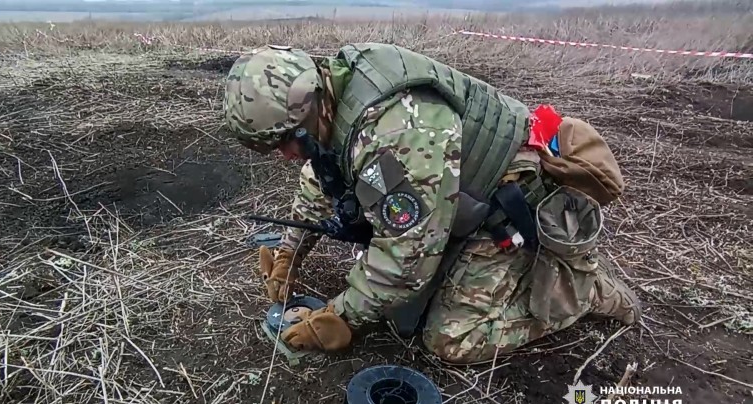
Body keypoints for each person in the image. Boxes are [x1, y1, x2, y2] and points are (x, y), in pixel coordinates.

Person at [223, 43, 641, 364]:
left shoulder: (394, 134)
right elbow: (320, 177)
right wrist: (289, 254)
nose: (286, 155)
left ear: (309, 101)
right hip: (453, 200)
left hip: (511, 208)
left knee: (449, 339)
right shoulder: (333, 94)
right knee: (399, 301)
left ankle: (580, 292)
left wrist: (340, 317)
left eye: (287, 140)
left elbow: (406, 260)